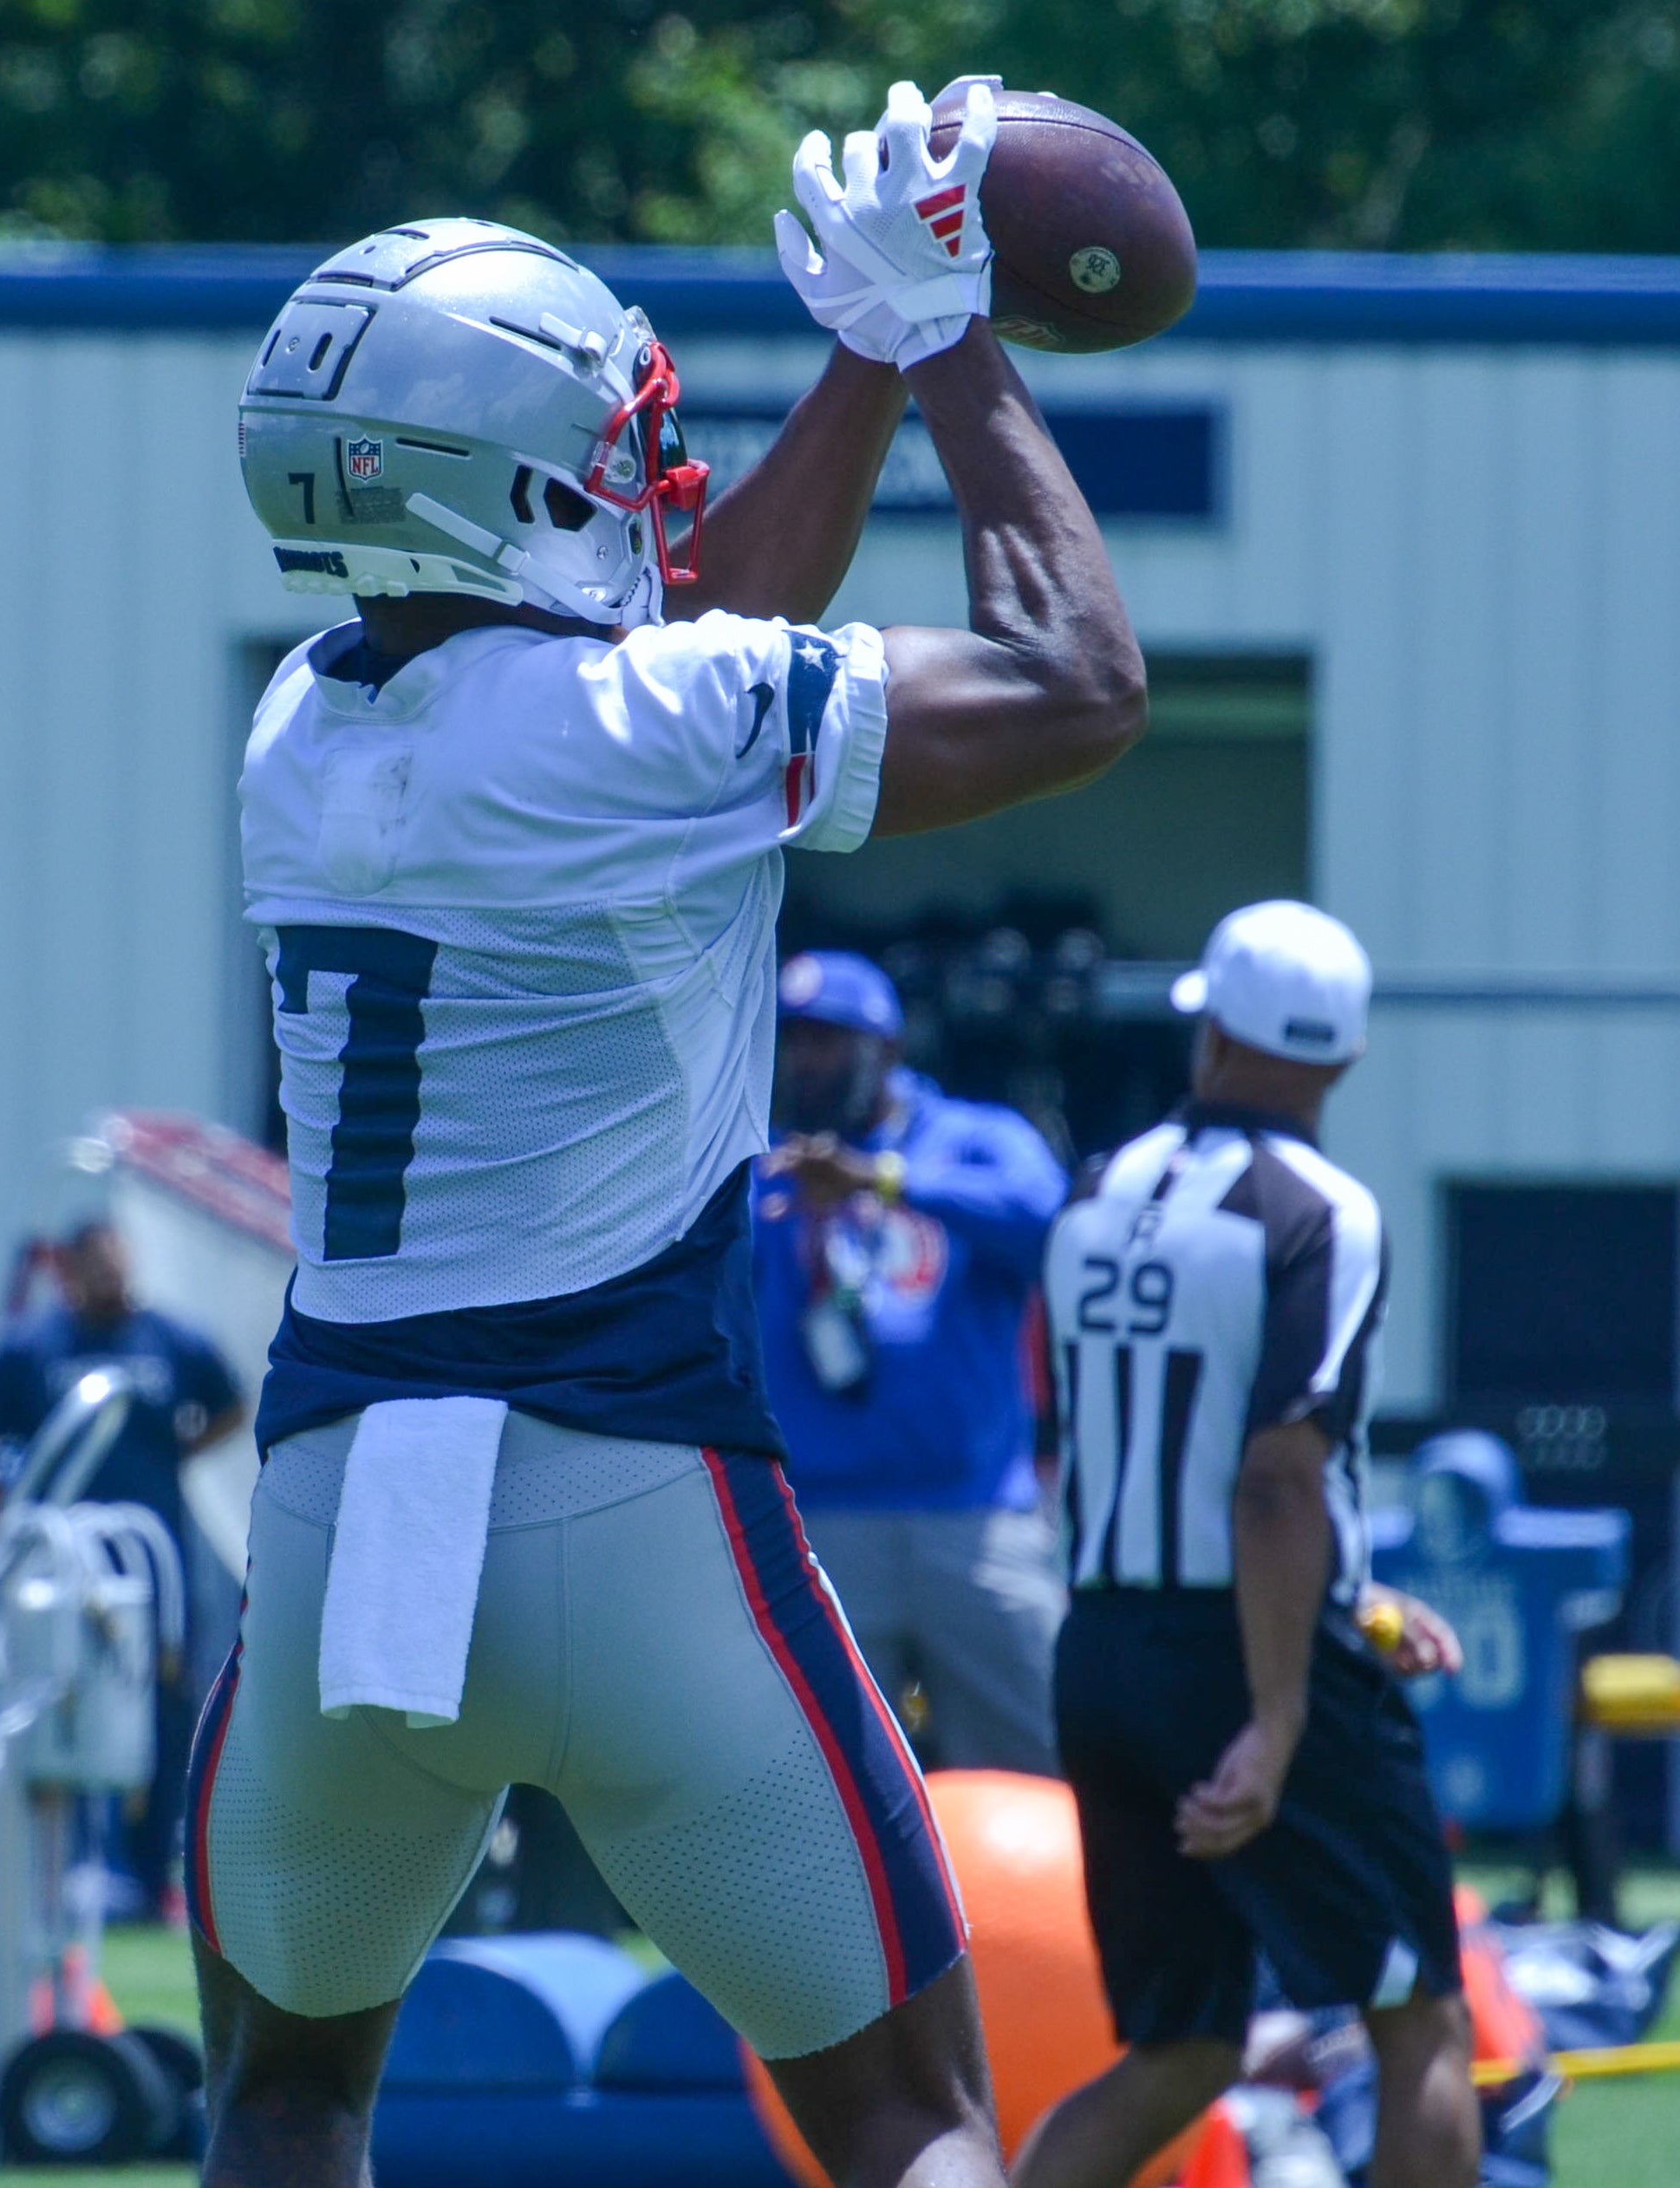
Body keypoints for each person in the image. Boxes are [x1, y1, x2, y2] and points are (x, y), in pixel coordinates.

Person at [202, 77, 1144, 2188]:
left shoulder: (302, 723)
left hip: (348, 1507)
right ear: (515, 485)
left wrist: (857, 362)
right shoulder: (635, 727)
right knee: (907, 2118)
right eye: (615, 443)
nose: (651, 476)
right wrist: (948, 345)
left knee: (281, 2102)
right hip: (638, 1498)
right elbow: (1076, 683)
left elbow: (662, 644)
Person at [1012, 902, 1477, 2188]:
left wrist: (1354, 1595)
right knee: (1419, 2020)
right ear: (1345, 1057)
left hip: (1102, 1651)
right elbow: (1273, 1480)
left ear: (1213, 1033)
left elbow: (1133, 1450)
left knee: (1182, 2048)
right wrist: (1277, 1719)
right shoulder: (1322, 1210)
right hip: (1248, 1659)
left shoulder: (1095, 1190)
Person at [756, 948, 1069, 1772]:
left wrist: (880, 1181)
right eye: (792, 1040)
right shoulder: (761, 1164)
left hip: (974, 1519)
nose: (804, 1061)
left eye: (828, 1041)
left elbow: (1054, 1225)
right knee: (825, 1782)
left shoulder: (973, 1139)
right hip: (817, 1524)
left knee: (1034, 1772)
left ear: (886, 1050)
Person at [0, 1214, 247, 1910]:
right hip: (60, 1568)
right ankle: (49, 1873)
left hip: (152, 1568)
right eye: (93, 1263)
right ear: (68, 1271)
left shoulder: (171, 1340)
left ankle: (152, 1878)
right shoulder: (33, 1347)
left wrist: (177, 1454)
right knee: (52, 1705)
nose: (109, 1275)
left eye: (117, 1261)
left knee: (162, 1711)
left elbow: (232, 1405)